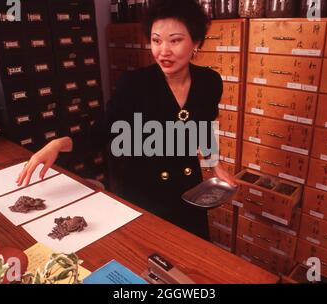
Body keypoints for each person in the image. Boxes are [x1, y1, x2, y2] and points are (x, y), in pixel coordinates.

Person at [17, 0, 236, 240]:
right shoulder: (134, 84)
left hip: (189, 190)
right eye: (156, 40)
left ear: (196, 42)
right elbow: (102, 132)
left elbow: (203, 128)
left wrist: (215, 164)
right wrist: (59, 144)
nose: (163, 50)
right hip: (144, 193)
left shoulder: (209, 82)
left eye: (175, 40)